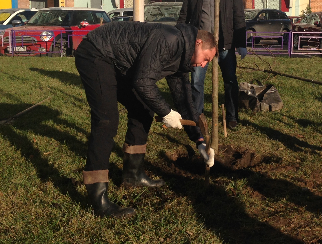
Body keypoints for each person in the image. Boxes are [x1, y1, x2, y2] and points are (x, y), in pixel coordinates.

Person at [75, 21, 216, 218]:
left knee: (143, 109)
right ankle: (97, 198)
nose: (203, 65)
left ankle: (133, 175)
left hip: (118, 62)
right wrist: (166, 112)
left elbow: (184, 101)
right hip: (96, 52)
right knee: (106, 121)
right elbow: (143, 81)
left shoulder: (182, 58)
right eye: (206, 59)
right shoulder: (169, 39)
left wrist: (199, 141)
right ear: (198, 43)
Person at [178, 0, 247, 128]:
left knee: (230, 80)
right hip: (201, 45)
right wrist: (182, 38)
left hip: (225, 43)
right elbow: (184, 15)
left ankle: (232, 116)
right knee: (196, 82)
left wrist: (241, 44)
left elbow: (239, 17)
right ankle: (197, 115)